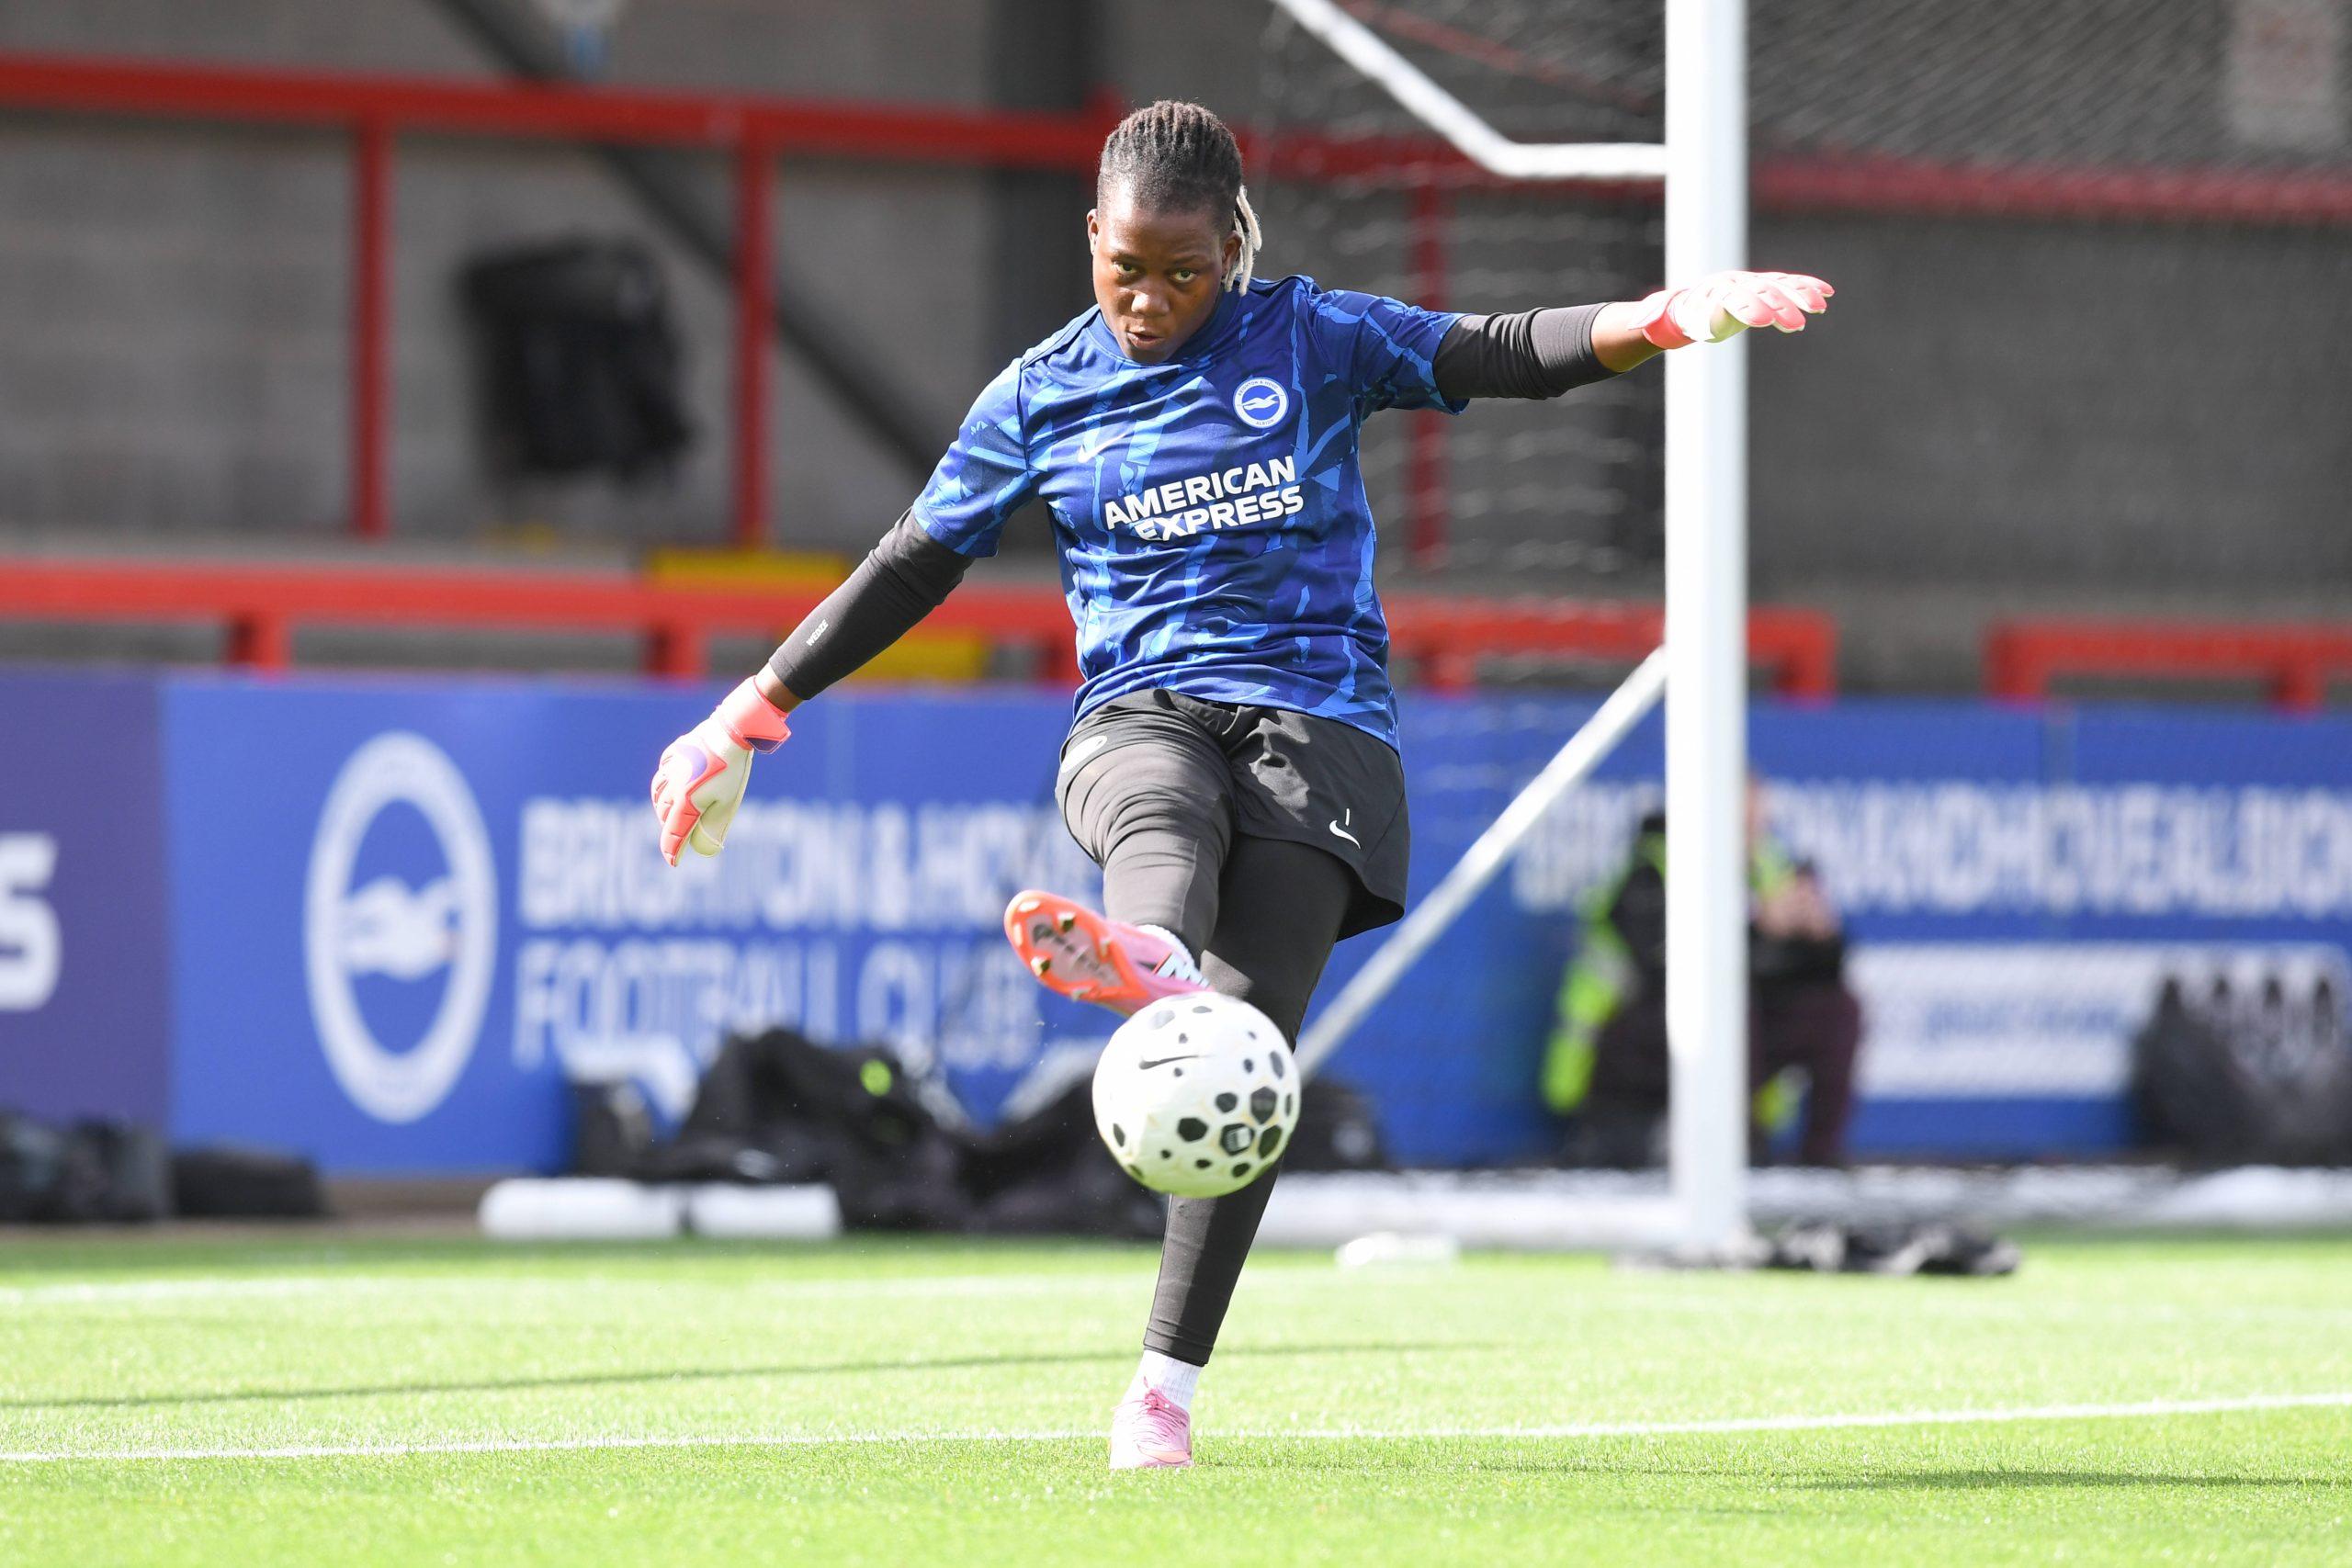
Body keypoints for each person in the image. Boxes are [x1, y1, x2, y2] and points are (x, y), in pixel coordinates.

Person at [650, 101, 1834, 1469]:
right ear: (1090, 239)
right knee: (1156, 805)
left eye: (1185, 271)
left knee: (1243, 1060)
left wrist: (1665, 316)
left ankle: (1164, 1383)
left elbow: (1496, 354)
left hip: (1317, 723)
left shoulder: (1312, 338)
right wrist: (752, 711)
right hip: (1138, 709)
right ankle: (1148, 943)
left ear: (1236, 246)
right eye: (1125, 270)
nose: (1151, 300)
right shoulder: (1040, 392)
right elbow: (914, 558)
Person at [1544, 780, 1863, 1168]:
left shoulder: (1767, 869)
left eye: (1756, 824)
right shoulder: (1650, 873)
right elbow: (1670, 966)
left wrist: (1821, 938)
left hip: (1738, 1043)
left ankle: (1819, 1162)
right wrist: (1760, 924)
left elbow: (1811, 975)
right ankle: (1733, 1149)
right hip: (1628, 1052)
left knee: (1837, 1010)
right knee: (1726, 1000)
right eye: (1739, 824)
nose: (1750, 837)